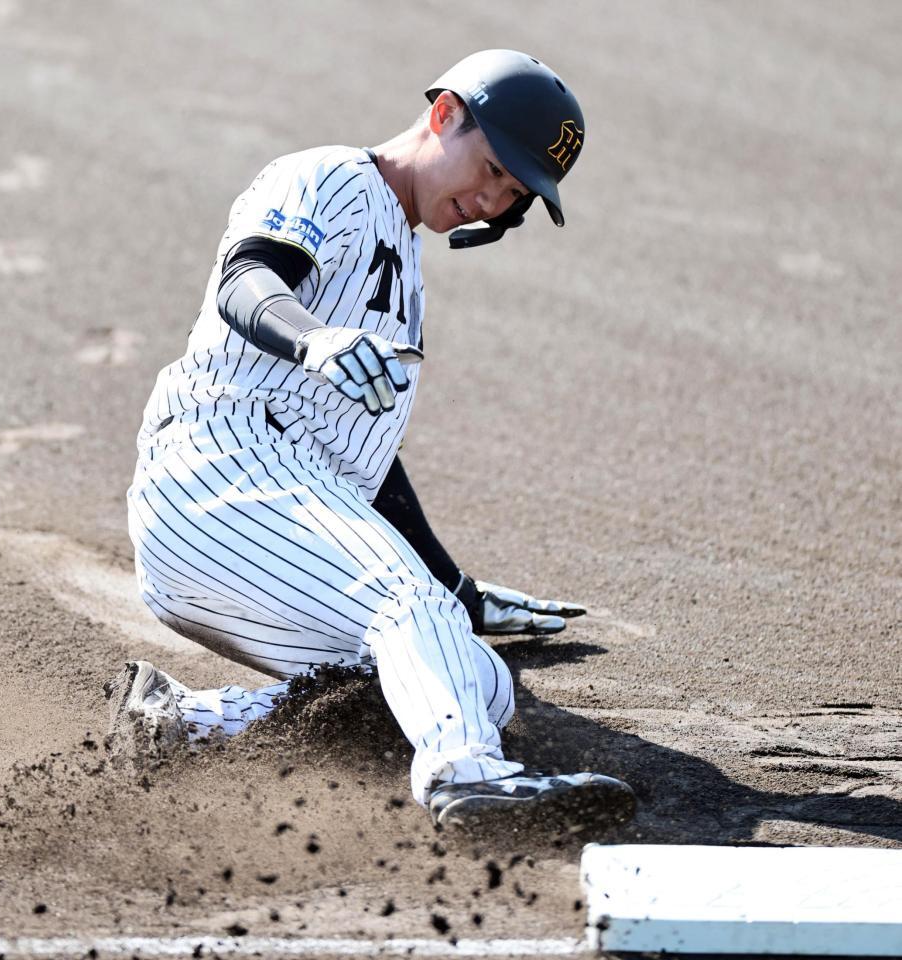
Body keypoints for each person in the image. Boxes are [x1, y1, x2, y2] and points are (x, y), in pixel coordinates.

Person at [106, 50, 636, 831]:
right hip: (218, 470)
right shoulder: (332, 178)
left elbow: (369, 466)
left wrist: (460, 592)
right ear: (445, 114)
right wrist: (311, 338)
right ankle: (469, 778)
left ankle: (183, 723)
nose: (489, 199)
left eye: (512, 193)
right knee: (406, 605)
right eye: (490, 167)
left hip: (273, 505)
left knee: (471, 680)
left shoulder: (404, 264)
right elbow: (249, 278)